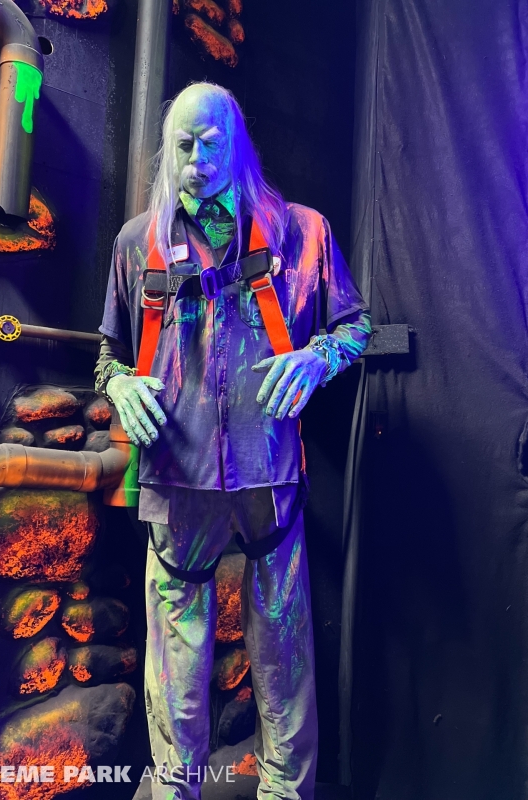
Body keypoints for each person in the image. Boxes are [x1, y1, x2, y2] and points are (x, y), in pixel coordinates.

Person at [95, 82, 371, 800]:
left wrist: (317, 357)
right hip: (174, 479)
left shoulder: (302, 234)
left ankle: (287, 792)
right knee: (173, 659)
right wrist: (119, 386)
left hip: (269, 473)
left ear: (238, 143)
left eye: (211, 143)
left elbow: (356, 327)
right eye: (183, 145)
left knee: (284, 647)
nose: (196, 160)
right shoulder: (136, 243)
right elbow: (108, 355)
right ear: (168, 150)